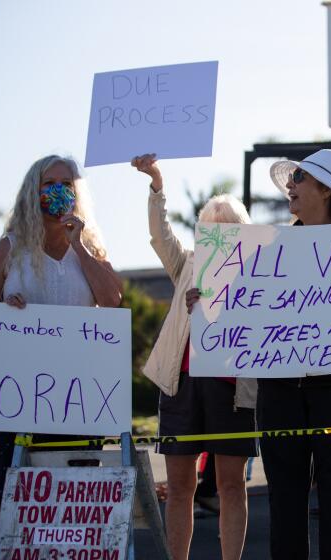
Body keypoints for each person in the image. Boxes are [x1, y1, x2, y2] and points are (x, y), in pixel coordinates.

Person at [0, 155, 123, 559]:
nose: (57, 190)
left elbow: (112, 300)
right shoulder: (11, 247)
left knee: (74, 499)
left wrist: (79, 243)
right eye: (48, 183)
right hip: (20, 397)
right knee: (10, 496)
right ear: (33, 191)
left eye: (66, 183)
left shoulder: (90, 247)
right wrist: (7, 309)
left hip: (78, 399)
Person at [132, 154, 257, 560]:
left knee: (231, 485)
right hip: (182, 385)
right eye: (212, 226)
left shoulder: (258, 273)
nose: (220, 234)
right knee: (180, 486)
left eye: (229, 227)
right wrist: (156, 185)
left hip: (232, 390)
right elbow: (159, 235)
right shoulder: (186, 263)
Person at [260, 148, 331, 560]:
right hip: (280, 390)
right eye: (291, 178)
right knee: (284, 499)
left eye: (299, 179)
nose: (290, 186)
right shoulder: (266, 250)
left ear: (326, 190)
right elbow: (240, 315)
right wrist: (202, 304)